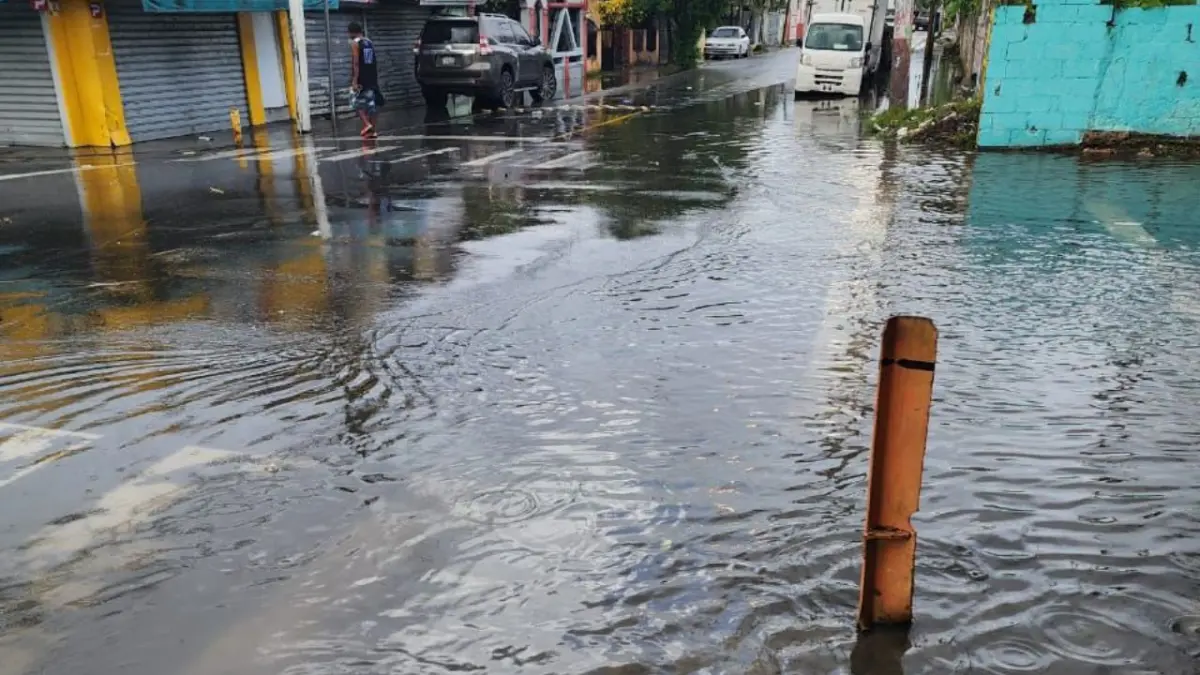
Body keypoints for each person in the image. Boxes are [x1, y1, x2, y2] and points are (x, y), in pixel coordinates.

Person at [348, 22, 382, 138]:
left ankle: (367, 124)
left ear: (352, 32)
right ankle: (373, 130)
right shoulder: (369, 42)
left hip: (361, 77)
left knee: (355, 101)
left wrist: (354, 80)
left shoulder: (355, 43)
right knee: (372, 104)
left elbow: (356, 63)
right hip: (371, 76)